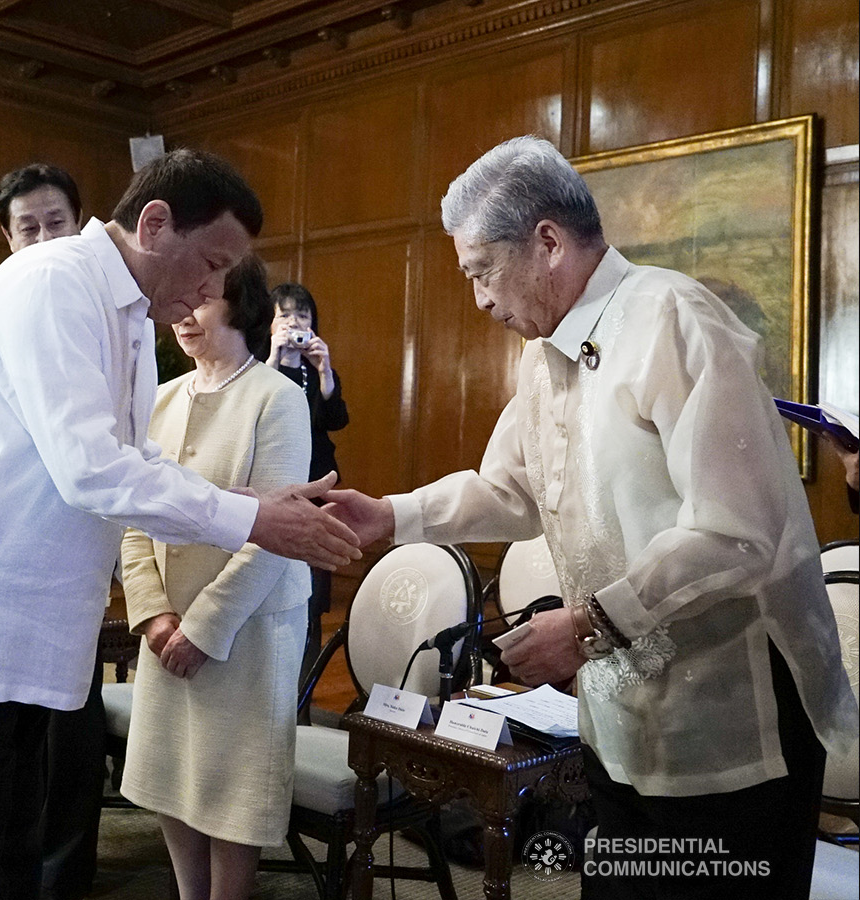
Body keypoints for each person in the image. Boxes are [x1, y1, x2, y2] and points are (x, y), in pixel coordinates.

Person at [323, 136, 858, 900]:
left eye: (481, 270)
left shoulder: (674, 318)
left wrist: (584, 627)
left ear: (547, 242)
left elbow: (738, 529)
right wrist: (390, 515)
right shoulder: (542, 354)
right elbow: (513, 490)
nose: (479, 300)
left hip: (730, 722)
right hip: (620, 713)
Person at [0, 148, 359, 900]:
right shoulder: (52, 282)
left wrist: (253, 509)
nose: (214, 290)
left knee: (11, 851)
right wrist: (254, 517)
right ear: (154, 224)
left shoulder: (125, 315)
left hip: (27, 617)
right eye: (212, 263)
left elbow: (138, 460)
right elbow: (91, 469)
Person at [120, 255, 309, 900]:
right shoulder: (161, 398)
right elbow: (133, 518)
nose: (186, 312)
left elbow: (280, 535)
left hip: (247, 627)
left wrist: (202, 628)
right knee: (170, 774)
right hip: (165, 627)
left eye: (203, 297)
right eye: (182, 296)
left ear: (241, 304)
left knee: (233, 788)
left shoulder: (277, 397)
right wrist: (153, 613)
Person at [0, 163, 102, 900]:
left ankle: (65, 873)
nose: (41, 239)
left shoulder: (95, 310)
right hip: (9, 564)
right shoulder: (5, 304)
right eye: (26, 227)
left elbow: (103, 460)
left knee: (69, 734)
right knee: (11, 747)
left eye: (54, 222)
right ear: (7, 238)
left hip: (70, 562)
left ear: (80, 223)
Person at [265, 282, 349, 689]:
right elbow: (254, 409)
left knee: (313, 592)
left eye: (303, 316)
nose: (295, 323)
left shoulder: (316, 371)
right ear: (269, 324)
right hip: (274, 484)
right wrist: (273, 358)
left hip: (317, 484)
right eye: (285, 316)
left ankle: (304, 688)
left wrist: (325, 370)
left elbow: (337, 420)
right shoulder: (259, 367)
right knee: (273, 582)